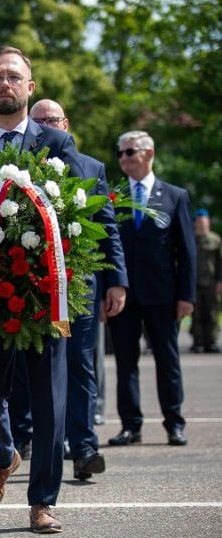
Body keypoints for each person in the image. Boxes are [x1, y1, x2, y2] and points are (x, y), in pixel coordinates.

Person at [0, 46, 121, 533]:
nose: (5, 83)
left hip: (45, 294)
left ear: (30, 87)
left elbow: (71, 217)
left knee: (50, 402)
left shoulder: (58, 145)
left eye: (14, 77)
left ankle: (42, 501)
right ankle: (3, 454)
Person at [26, 98, 128, 481]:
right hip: (32, 287)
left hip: (81, 285)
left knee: (80, 365)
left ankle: (84, 448)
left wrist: (116, 280)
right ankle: (29, 439)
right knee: (33, 366)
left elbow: (108, 229)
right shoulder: (21, 168)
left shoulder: (91, 167)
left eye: (52, 120)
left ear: (65, 124)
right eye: (40, 122)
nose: (47, 128)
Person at [107, 130, 196, 448]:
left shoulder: (174, 196)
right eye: (120, 153)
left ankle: (175, 423)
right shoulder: (113, 197)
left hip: (163, 295)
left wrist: (187, 294)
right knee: (125, 362)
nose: (123, 158)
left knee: (167, 360)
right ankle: (131, 425)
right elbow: (106, 248)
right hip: (124, 296)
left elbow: (186, 250)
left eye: (129, 151)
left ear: (149, 153)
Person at [190, 208, 222, 353]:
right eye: (199, 221)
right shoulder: (190, 239)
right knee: (195, 314)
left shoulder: (215, 240)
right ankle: (198, 342)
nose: (201, 224)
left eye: (204, 221)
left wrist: (220, 281)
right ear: (195, 223)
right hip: (194, 283)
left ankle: (211, 342)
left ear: (208, 222)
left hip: (210, 283)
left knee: (211, 314)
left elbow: (220, 262)